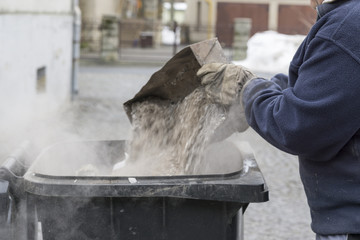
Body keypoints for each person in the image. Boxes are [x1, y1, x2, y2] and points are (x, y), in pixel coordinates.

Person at [197, 0, 360, 240]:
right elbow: (310, 83)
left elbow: (298, 127)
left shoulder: (347, 27)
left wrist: (246, 89)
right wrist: (257, 91)